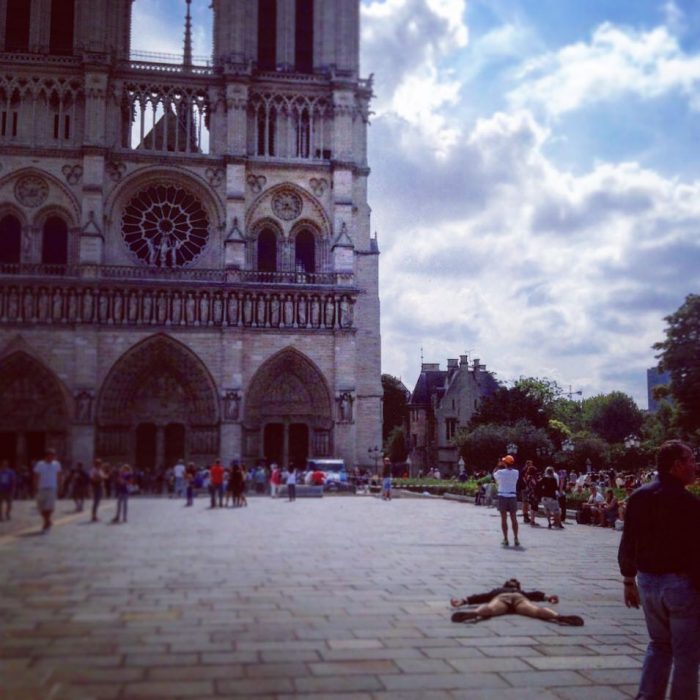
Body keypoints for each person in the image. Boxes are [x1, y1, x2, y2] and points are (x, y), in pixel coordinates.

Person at [618, 440, 700, 700]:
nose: (694, 466)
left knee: (659, 645)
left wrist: (628, 581)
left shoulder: (639, 496)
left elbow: (628, 540)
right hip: (680, 585)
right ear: (676, 465)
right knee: (686, 653)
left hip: (648, 583)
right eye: (690, 460)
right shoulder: (689, 503)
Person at [450, 578, 583, 626]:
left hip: (502, 598)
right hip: (520, 600)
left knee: (490, 608)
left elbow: (481, 597)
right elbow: (536, 594)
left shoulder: (498, 590)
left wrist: (462, 601)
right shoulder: (521, 592)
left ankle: (475, 614)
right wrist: (548, 597)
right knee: (535, 611)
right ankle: (557, 617)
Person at [33, 448, 62, 532]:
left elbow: (59, 476)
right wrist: (34, 487)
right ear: (46, 456)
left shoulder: (57, 464)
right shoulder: (39, 464)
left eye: (53, 456)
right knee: (40, 507)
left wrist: (60, 486)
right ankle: (48, 520)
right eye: (50, 456)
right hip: (41, 487)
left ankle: (46, 523)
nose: (52, 457)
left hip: (52, 487)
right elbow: (36, 476)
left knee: (49, 506)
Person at [493, 455, 520, 547]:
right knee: (514, 518)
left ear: (505, 463)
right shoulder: (516, 472)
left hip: (502, 495)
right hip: (512, 495)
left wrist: (498, 465)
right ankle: (516, 538)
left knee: (504, 519)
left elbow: (494, 474)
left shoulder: (500, 472)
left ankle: (505, 539)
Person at [521, 460, 538, 524]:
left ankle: (527, 516)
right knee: (525, 502)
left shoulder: (529, 471)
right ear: (527, 464)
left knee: (527, 503)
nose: (531, 465)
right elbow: (524, 479)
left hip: (527, 488)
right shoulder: (525, 471)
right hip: (526, 488)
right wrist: (527, 485)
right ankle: (525, 516)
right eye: (530, 464)